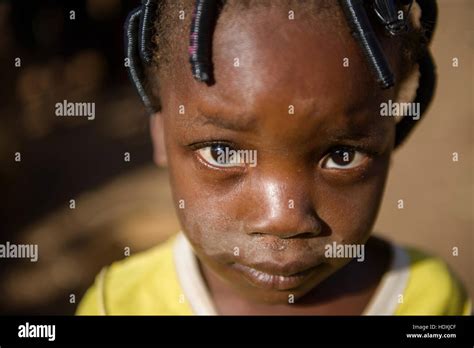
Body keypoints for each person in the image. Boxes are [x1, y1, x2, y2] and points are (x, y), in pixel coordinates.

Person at [76, 0, 471, 315]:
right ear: (159, 134)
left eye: (342, 155)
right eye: (223, 151)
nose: (284, 219)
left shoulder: (434, 301)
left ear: (392, 137)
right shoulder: (118, 306)